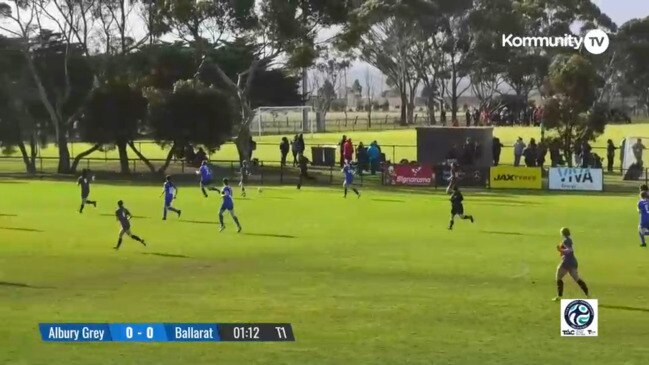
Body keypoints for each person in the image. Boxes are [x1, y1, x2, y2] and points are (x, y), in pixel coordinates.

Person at [553, 227, 589, 301]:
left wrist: (560, 249)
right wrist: (561, 251)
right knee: (577, 278)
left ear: (562, 233)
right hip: (573, 262)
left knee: (558, 277)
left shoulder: (566, 240)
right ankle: (588, 294)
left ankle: (559, 296)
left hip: (567, 262)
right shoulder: (568, 240)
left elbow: (569, 250)